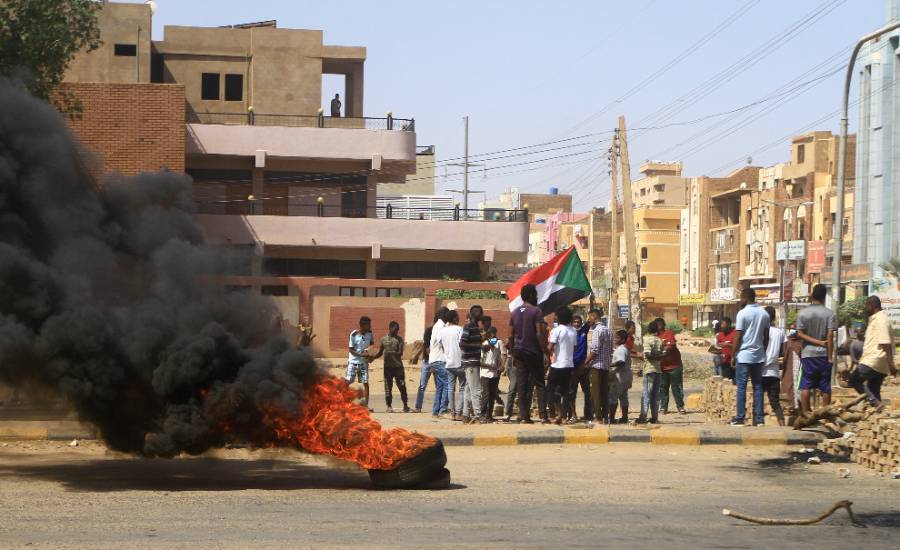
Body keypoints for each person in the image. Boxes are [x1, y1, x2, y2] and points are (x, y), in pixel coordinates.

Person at [508, 284, 549, 424]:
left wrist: (513, 353)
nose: (537, 297)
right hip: (533, 351)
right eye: (535, 294)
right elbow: (539, 333)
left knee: (522, 384)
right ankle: (543, 416)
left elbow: (510, 336)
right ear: (531, 295)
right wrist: (545, 351)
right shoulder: (536, 311)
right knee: (539, 383)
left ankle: (524, 416)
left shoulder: (514, 312)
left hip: (519, 351)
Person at [730, 288, 770, 426]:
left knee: (741, 387)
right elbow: (766, 337)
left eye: (741, 298)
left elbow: (738, 336)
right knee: (758, 386)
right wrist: (763, 350)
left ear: (745, 298)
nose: (740, 301)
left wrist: (733, 354)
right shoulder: (764, 313)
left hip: (744, 355)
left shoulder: (742, 313)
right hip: (758, 356)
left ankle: (740, 417)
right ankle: (759, 419)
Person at [796, 284, 836, 415]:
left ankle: (806, 414)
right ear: (825, 297)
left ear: (812, 296)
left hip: (807, 355)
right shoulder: (829, 314)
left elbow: (800, 334)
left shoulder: (802, 313)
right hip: (824, 355)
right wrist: (830, 357)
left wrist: (814, 342)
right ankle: (825, 414)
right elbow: (830, 335)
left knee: (805, 385)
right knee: (825, 387)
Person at [849, 296, 897, 407]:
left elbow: (885, 343)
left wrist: (891, 365)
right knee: (873, 389)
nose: (866, 308)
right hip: (878, 362)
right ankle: (878, 416)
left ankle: (874, 402)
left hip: (874, 360)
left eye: (867, 306)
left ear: (871, 305)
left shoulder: (880, 319)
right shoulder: (875, 319)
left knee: (854, 380)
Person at [371, 321, 410, 413]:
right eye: (395, 329)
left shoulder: (400, 340)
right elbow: (380, 352)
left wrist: (390, 353)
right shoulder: (383, 339)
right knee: (388, 387)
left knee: (402, 386)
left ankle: (405, 405)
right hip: (387, 367)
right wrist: (373, 358)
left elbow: (400, 353)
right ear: (390, 328)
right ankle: (389, 406)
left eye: (397, 330)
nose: (397, 331)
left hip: (398, 367)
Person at [547, 307, 577, 425]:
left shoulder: (556, 330)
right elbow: (574, 348)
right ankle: (564, 416)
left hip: (557, 365)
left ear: (559, 317)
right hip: (569, 365)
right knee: (565, 392)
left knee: (550, 390)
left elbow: (550, 348)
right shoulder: (573, 331)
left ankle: (553, 415)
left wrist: (544, 350)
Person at [415, 307, 448, 413]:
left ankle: (440, 407)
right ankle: (418, 406)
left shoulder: (436, 330)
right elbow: (428, 348)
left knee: (438, 385)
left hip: (433, 361)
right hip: (430, 361)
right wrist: (432, 363)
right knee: (424, 385)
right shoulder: (430, 331)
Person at [584, 308, 613, 423]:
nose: (588, 320)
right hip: (606, 366)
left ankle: (598, 417)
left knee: (595, 392)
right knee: (604, 392)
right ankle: (605, 415)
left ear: (594, 317)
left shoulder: (596, 331)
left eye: (589, 317)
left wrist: (585, 363)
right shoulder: (608, 330)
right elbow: (610, 349)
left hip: (596, 366)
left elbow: (594, 350)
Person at [460, 305, 486, 423]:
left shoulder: (475, 327)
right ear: (475, 314)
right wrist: (479, 346)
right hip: (470, 362)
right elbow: (462, 344)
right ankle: (478, 414)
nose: (482, 315)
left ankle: (466, 415)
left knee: (468, 389)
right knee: (476, 389)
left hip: (472, 361)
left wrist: (482, 347)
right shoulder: (469, 326)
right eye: (481, 313)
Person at [656, 318, 686, 415]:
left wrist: (662, 351)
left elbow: (671, 345)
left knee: (676, 387)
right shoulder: (655, 337)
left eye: (660, 324)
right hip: (662, 367)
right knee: (663, 387)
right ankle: (663, 407)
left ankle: (680, 406)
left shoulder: (669, 333)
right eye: (657, 324)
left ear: (663, 325)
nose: (658, 326)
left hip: (675, 366)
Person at [440, 309, 465, 420]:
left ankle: (453, 413)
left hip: (449, 363)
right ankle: (459, 413)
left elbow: (441, 344)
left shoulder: (443, 331)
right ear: (455, 318)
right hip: (460, 362)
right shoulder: (460, 329)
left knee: (451, 388)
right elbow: (462, 344)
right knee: (463, 388)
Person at [637, 322, 664, 424]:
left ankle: (643, 417)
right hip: (658, 370)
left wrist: (654, 357)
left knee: (646, 394)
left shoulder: (647, 339)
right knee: (655, 395)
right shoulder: (659, 340)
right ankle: (654, 417)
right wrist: (659, 357)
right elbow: (662, 354)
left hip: (649, 370)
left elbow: (648, 355)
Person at [762, 307, 785, 426]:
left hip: (761, 372)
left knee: (758, 400)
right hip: (774, 372)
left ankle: (757, 424)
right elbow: (783, 352)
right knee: (775, 402)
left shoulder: (761, 331)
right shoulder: (780, 333)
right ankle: (782, 425)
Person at [568, 314, 593, 421]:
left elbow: (591, 320)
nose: (577, 324)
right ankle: (572, 414)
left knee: (587, 392)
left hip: (584, 367)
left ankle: (588, 414)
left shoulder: (584, 330)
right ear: (571, 323)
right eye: (575, 322)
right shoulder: (568, 333)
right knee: (571, 392)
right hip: (572, 367)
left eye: (578, 322)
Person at [346, 316, 374, 410]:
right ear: (362, 325)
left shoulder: (370, 334)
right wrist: (361, 355)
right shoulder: (354, 334)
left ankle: (366, 406)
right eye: (368, 325)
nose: (370, 326)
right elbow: (351, 349)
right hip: (353, 362)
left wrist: (370, 353)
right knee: (348, 381)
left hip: (363, 363)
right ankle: (343, 402)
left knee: (365, 382)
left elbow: (372, 344)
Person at [480, 326, 506, 422]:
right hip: (485, 374)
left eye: (495, 335)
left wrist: (502, 366)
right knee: (486, 394)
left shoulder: (499, 343)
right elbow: (480, 362)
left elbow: (504, 354)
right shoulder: (484, 345)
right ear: (489, 336)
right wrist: (490, 366)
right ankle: (482, 414)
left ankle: (489, 415)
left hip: (495, 374)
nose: (494, 338)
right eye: (492, 336)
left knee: (492, 395)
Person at [429, 309, 450, 419]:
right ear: (444, 315)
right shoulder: (440, 326)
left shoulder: (439, 325)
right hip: (439, 359)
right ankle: (443, 409)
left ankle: (435, 411)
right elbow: (442, 341)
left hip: (436, 359)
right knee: (448, 383)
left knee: (440, 387)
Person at [609, 329, 633, 424]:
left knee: (613, 397)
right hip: (626, 376)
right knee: (623, 398)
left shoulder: (620, 350)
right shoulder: (624, 348)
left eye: (617, 338)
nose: (615, 339)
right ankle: (624, 417)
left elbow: (621, 362)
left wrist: (610, 365)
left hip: (620, 377)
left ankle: (611, 418)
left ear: (623, 339)